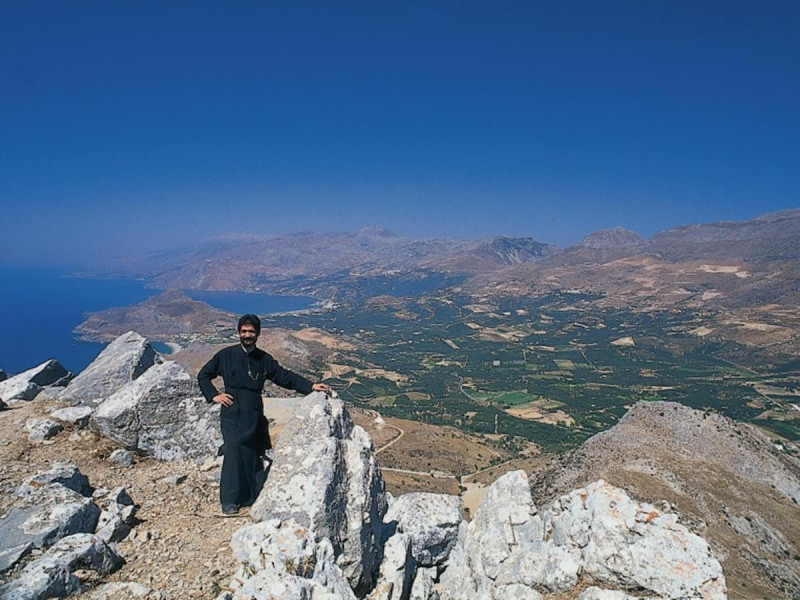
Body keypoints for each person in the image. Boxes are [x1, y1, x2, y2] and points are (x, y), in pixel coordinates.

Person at [198, 314, 330, 515]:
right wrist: (214, 395)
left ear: (257, 333)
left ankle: (251, 496)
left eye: (251, 331)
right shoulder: (225, 355)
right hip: (232, 409)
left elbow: (283, 376)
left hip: (254, 410)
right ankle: (230, 500)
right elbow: (204, 375)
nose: (247, 335)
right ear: (239, 333)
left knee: (253, 451)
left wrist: (310, 386)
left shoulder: (264, 359)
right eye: (244, 331)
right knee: (233, 450)